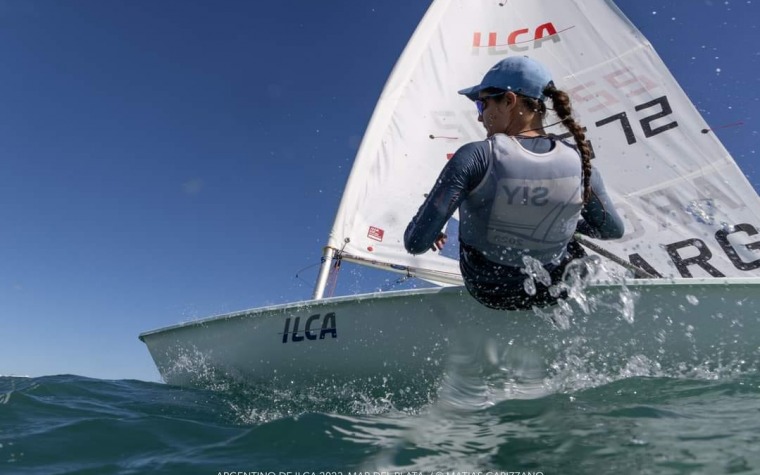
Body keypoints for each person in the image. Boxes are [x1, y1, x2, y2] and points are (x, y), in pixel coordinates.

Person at [404, 56, 625, 311]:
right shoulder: (580, 165)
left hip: (491, 291)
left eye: (482, 105)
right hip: (553, 291)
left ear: (509, 101)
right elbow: (611, 230)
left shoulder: (476, 156)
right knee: (571, 251)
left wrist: (431, 225)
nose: (480, 118)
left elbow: (416, 243)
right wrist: (562, 220)